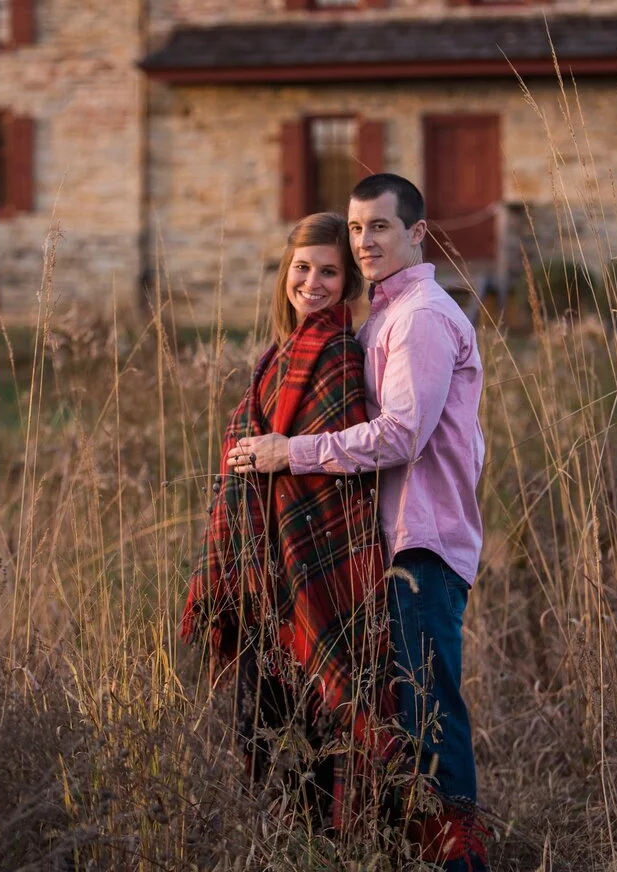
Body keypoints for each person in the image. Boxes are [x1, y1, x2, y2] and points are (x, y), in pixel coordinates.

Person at [229, 173, 489, 872]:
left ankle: (462, 861)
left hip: (422, 545)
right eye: (356, 227)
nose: (365, 240)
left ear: (416, 233)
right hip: (390, 546)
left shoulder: (420, 319)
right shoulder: (379, 321)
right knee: (402, 717)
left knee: (430, 716)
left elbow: (402, 435)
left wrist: (292, 452)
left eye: (379, 226)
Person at [181, 211, 393, 832]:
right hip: (261, 578)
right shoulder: (279, 352)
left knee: (308, 736)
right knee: (263, 732)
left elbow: (339, 471)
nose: (314, 282)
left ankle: (322, 848)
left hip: (308, 575)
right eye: (303, 268)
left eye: (330, 271)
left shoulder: (336, 355)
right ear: (286, 274)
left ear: (348, 282)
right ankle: (279, 849)